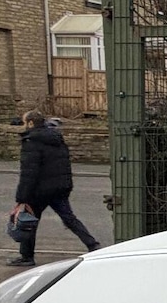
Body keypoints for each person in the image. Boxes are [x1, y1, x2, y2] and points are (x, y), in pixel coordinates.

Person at [10, 110, 101, 266]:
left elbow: (29, 173)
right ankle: (93, 245)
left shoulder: (31, 141)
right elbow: (63, 164)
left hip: (40, 190)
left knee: (29, 222)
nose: (23, 125)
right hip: (59, 187)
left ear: (31, 123)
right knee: (69, 218)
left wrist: (22, 198)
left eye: (25, 122)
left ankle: (26, 257)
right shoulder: (56, 138)